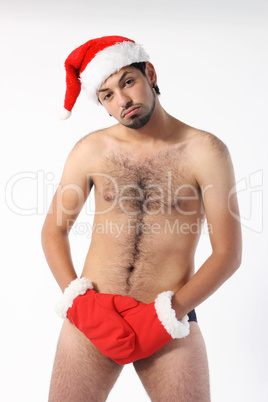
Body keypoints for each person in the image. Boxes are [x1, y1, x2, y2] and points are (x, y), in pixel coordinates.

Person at [41, 35, 242, 401]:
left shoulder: (205, 151)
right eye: (107, 95)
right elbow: (54, 231)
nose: (123, 101)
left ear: (149, 73)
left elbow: (228, 253)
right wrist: (81, 306)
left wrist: (166, 315)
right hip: (93, 317)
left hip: (166, 321)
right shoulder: (91, 150)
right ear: (101, 104)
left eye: (128, 82)